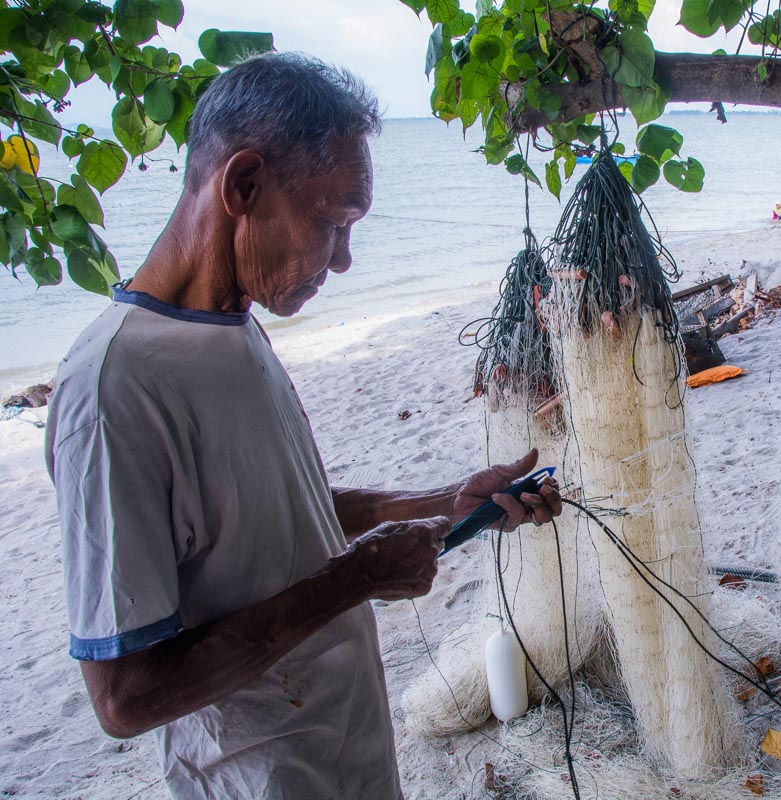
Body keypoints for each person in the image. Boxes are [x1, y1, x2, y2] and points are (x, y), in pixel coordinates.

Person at [44, 53, 562, 799]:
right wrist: (353, 579)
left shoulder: (233, 326)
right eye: (333, 222)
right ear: (244, 185)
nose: (346, 260)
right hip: (261, 779)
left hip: (348, 752)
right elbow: (127, 696)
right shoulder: (113, 389)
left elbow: (273, 522)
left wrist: (444, 503)